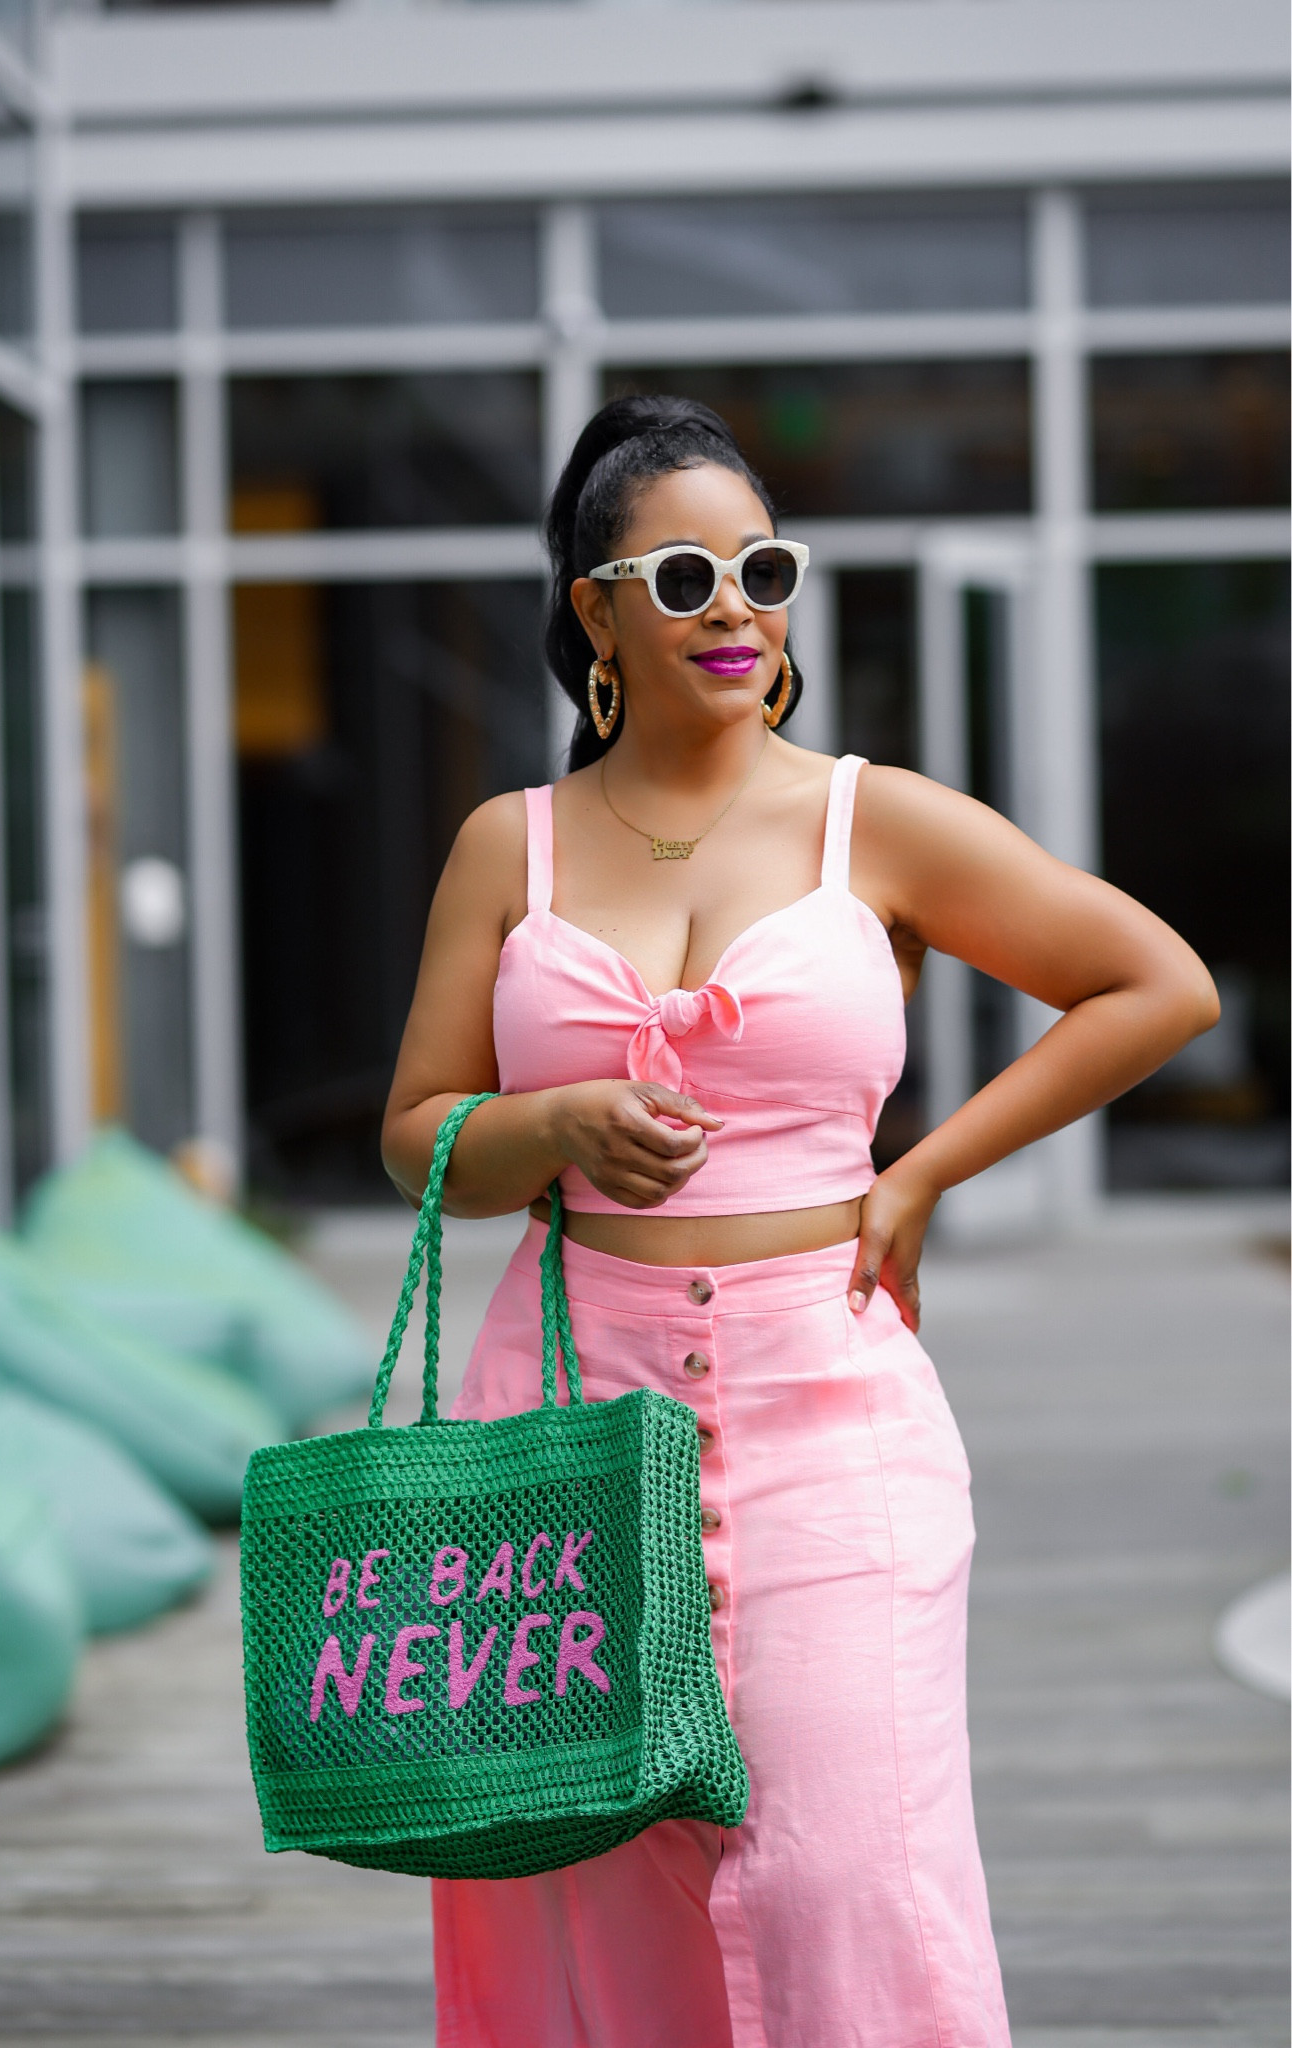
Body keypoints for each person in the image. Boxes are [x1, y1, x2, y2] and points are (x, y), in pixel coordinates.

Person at [382, 395, 1218, 2048]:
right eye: (682, 576)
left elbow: (1155, 984)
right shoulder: (511, 847)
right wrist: (539, 1127)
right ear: (591, 609)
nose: (736, 607)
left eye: (762, 567)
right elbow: (416, 1141)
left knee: (848, 1873)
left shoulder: (871, 819)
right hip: (561, 1415)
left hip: (829, 1412)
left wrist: (916, 1174)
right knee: (596, 1863)